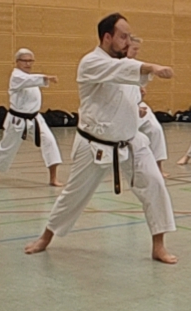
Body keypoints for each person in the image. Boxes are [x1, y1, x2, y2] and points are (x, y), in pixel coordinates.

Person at [26, 14, 177, 264]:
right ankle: (45, 237)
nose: (128, 41)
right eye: (123, 36)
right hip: (94, 144)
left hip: (130, 141)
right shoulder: (91, 62)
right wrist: (151, 68)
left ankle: (158, 246)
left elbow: (121, 89)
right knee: (73, 195)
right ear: (107, 37)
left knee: (155, 185)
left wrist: (135, 105)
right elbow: (119, 72)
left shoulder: (122, 63)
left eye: (129, 36)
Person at [0, 49, 63, 186]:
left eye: (30, 61)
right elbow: (29, 80)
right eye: (24, 60)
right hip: (16, 120)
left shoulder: (30, 78)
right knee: (6, 147)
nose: (28, 63)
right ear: (17, 62)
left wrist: (43, 79)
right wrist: (47, 78)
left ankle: (53, 178)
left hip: (35, 119)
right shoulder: (16, 77)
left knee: (50, 142)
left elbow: (31, 80)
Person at [128, 38, 168, 167]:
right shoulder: (115, 64)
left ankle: (158, 166)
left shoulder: (136, 64)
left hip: (139, 104)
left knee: (156, 129)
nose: (136, 52)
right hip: (121, 107)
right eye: (134, 49)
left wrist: (156, 70)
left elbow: (143, 72)